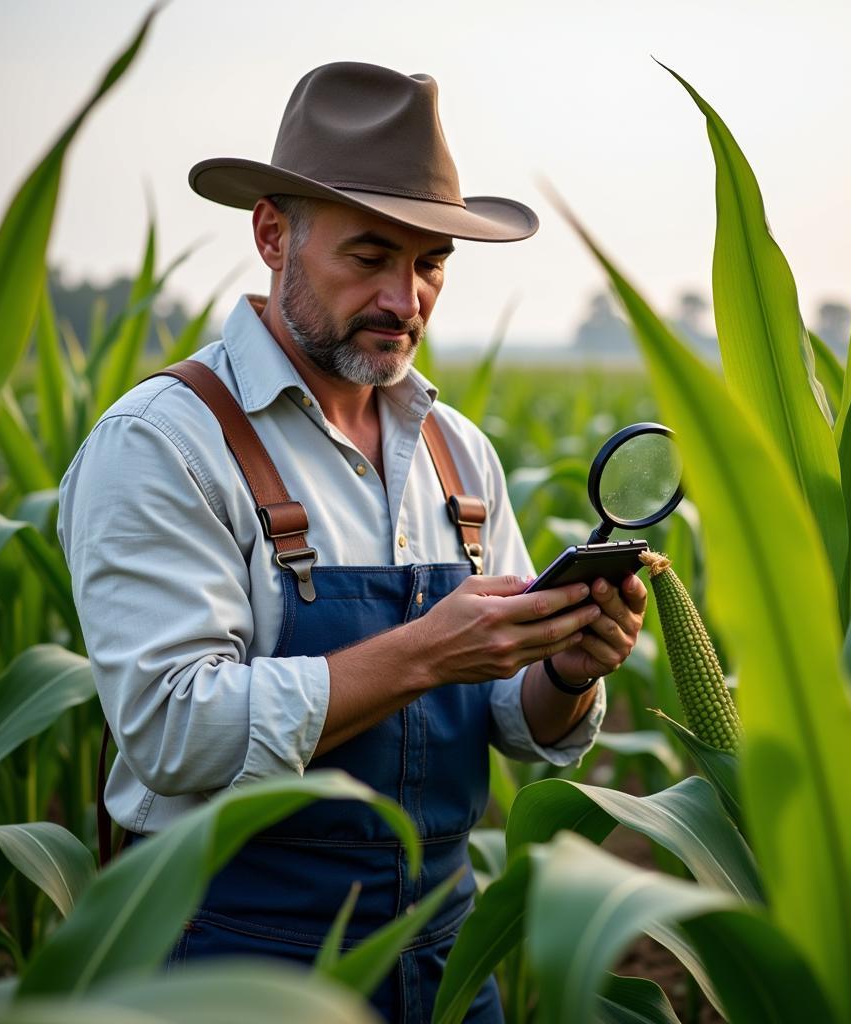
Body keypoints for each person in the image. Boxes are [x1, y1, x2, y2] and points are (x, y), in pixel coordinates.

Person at [57, 61, 646, 1023]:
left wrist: (567, 669)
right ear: (272, 234)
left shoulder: (458, 451)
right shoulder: (164, 442)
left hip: (447, 961)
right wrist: (422, 653)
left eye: (430, 266)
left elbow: (509, 716)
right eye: (370, 257)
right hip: (232, 963)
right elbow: (169, 727)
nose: (404, 299)